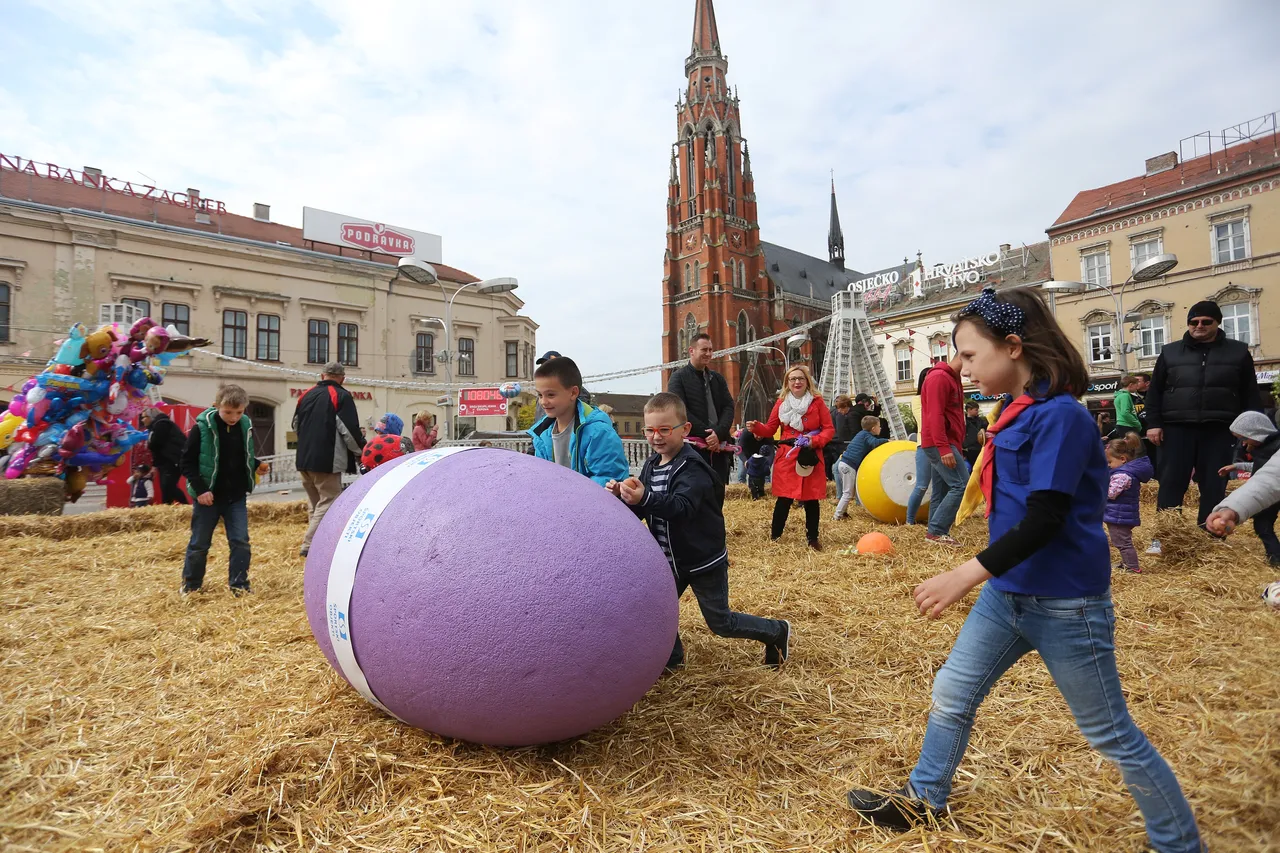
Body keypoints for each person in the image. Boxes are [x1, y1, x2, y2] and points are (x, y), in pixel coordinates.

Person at [846, 287, 1202, 853]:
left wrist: (965, 574)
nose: (959, 368)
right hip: (1007, 596)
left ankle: (1179, 843)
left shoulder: (1060, 418)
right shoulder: (1015, 413)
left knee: (1109, 734)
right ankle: (925, 796)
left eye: (967, 355)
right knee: (953, 693)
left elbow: (1046, 518)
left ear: (1013, 346)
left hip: (1066, 603)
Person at [608, 392, 790, 670]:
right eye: (650, 429)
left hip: (703, 561)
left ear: (685, 429)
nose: (656, 437)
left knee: (721, 623)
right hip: (670, 561)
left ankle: (776, 631)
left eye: (665, 429)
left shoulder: (693, 468)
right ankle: (672, 660)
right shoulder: (650, 466)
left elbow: (682, 508)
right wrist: (624, 498)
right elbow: (645, 511)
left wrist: (645, 498)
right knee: (655, 611)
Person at [1145, 300, 1261, 552]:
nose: (1199, 326)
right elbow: (1154, 392)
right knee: (1171, 482)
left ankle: (1210, 538)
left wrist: (1253, 432)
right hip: (1176, 428)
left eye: (1206, 322)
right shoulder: (1170, 352)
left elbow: (1250, 394)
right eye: (1194, 321)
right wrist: (1153, 424)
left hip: (1220, 429)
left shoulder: (1238, 352)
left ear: (1217, 323)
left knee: (1213, 484)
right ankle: (1164, 538)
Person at [179, 384, 269, 596]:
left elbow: (238, 455)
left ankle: (239, 585)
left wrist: (256, 464)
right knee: (200, 543)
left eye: (238, 412)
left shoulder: (244, 425)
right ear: (216, 406)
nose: (233, 417)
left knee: (240, 541)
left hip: (235, 495)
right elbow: (187, 462)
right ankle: (191, 586)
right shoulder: (202, 427)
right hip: (208, 496)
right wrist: (201, 490)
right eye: (228, 412)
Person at [746, 364, 835, 551]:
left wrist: (814, 440)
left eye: (800, 378)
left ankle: (813, 539)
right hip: (787, 456)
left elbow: (829, 429)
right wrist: (756, 427)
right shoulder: (781, 403)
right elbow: (770, 429)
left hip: (809, 454)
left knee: (811, 499)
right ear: (787, 382)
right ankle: (775, 537)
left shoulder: (817, 402)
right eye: (793, 378)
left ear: (807, 381)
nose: (797, 381)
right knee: (784, 499)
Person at [293, 362, 365, 558]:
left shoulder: (305, 395)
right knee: (329, 500)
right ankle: (310, 545)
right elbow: (348, 430)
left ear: (322, 375)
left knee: (316, 503)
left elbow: (296, 425)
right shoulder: (341, 395)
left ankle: (318, 544)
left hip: (304, 458)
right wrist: (362, 450)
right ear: (342, 378)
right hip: (326, 459)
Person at [528, 356, 628, 486]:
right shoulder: (542, 434)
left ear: (573, 393)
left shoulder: (598, 432)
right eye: (540, 395)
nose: (543, 402)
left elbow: (609, 478)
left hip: (590, 504)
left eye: (551, 395)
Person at [667, 333, 735, 507]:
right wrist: (707, 434)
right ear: (691, 350)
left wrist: (718, 434)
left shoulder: (717, 379)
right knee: (695, 495)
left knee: (717, 495)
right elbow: (680, 410)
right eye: (704, 349)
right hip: (694, 448)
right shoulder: (678, 378)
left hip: (719, 449)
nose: (708, 353)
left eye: (711, 350)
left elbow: (729, 406)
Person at [1215, 410, 1280, 565]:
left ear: (1257, 434)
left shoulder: (1271, 449)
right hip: (1267, 493)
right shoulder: (1264, 450)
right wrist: (1236, 466)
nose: (1243, 443)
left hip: (1271, 498)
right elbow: (1265, 471)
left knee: (1262, 525)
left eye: (1244, 438)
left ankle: (1276, 558)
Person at [918, 353, 969, 545]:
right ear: (963, 356)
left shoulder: (951, 379)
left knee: (942, 489)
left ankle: (934, 532)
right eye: (972, 359)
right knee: (960, 485)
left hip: (944, 442)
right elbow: (935, 415)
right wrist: (944, 447)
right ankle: (937, 531)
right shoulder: (939, 377)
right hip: (940, 443)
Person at [1103, 433, 1154, 574]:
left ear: (1123, 459)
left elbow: (1111, 494)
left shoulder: (1122, 475)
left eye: (1109, 462)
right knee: (1120, 541)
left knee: (1122, 542)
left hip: (1120, 516)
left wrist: (1099, 490)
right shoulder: (1122, 472)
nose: (1108, 466)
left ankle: (1132, 566)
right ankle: (1126, 563)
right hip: (1119, 513)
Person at [833, 416, 889, 520]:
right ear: (873, 429)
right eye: (879, 426)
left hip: (844, 464)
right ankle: (837, 516)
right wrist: (888, 441)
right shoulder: (866, 436)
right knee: (848, 493)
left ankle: (843, 512)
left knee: (848, 491)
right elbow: (875, 443)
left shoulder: (862, 434)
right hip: (848, 465)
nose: (880, 428)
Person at [144, 406, 188, 504]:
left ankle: (187, 507)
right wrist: (155, 465)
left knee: (168, 487)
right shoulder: (156, 426)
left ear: (152, 417)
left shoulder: (162, 424)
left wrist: (150, 445)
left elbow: (156, 444)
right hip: (165, 462)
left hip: (171, 461)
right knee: (166, 488)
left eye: (145, 417)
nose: (142, 420)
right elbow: (157, 449)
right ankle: (167, 507)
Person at [828, 395, 857, 486]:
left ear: (845, 406)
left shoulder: (851, 415)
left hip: (848, 445)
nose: (839, 411)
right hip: (846, 444)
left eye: (840, 408)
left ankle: (841, 495)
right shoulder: (848, 414)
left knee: (837, 469)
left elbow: (853, 432)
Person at [961, 400, 986, 468]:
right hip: (968, 450)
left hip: (979, 449)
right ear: (969, 410)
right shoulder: (962, 422)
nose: (977, 411)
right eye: (976, 410)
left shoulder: (981, 421)